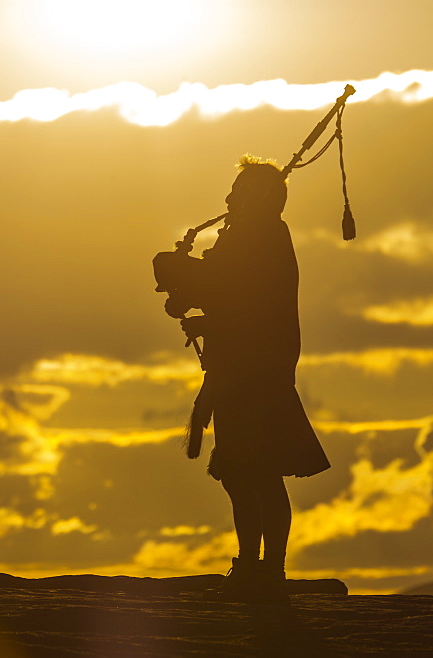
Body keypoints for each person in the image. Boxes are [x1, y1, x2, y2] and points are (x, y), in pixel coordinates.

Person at [178, 155, 330, 605]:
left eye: (238, 190)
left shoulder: (264, 238)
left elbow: (252, 302)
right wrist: (205, 316)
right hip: (240, 367)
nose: (228, 197)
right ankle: (251, 565)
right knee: (240, 473)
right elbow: (236, 297)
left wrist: (204, 305)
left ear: (258, 197)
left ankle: (268, 570)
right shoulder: (249, 237)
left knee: (258, 473)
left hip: (257, 371)